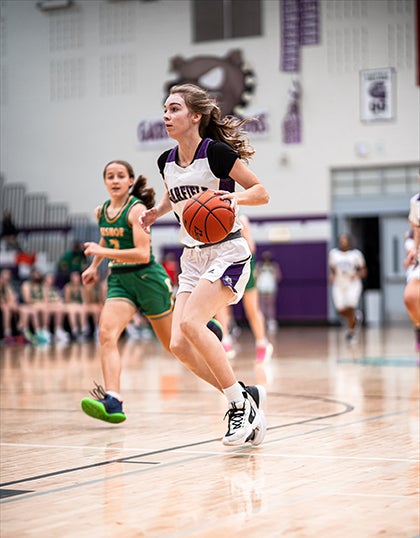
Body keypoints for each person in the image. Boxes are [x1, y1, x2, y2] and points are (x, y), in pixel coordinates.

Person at [139, 83, 270, 447]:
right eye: (165, 109)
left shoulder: (216, 153)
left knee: (192, 323)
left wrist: (235, 196)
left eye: (175, 109)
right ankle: (243, 394)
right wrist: (156, 212)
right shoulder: (166, 161)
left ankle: (238, 407)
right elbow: (175, 193)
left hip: (226, 250)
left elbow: (262, 191)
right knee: (179, 344)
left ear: (195, 116)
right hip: (192, 258)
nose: (167, 115)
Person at [80, 160, 175, 424]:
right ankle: (113, 400)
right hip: (120, 280)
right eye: (110, 176)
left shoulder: (137, 210)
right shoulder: (101, 211)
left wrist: (102, 253)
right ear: (104, 181)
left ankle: (199, 324)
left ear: (130, 181)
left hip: (146, 277)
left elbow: (142, 253)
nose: (115, 180)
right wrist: (94, 266)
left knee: (172, 346)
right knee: (107, 334)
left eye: (120, 176)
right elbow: (105, 237)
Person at [216, 214, 273, 363]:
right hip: (224, 264)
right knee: (219, 306)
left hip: (243, 263)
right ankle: (225, 342)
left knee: (251, 309)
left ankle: (262, 344)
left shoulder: (241, 219)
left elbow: (252, 247)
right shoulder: (215, 218)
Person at [328, 233, 367, 344]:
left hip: (352, 283)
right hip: (339, 283)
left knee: (350, 306)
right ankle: (356, 317)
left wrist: (357, 275)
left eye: (345, 240)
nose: (343, 242)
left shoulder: (356, 255)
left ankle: (351, 332)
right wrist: (332, 275)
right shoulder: (333, 254)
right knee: (340, 309)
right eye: (341, 240)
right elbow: (332, 268)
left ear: (349, 242)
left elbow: (364, 270)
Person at [403, 192, 420, 353]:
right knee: (410, 297)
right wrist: (414, 250)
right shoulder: (415, 201)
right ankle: (418, 328)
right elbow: (416, 229)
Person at [19, 267, 51, 344]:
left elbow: (46, 299)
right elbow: (27, 300)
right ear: (31, 275)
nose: (37, 275)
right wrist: (38, 303)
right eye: (35, 273)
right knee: (33, 310)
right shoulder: (26, 285)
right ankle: (35, 332)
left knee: (46, 309)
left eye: (38, 273)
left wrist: (39, 304)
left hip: (39, 306)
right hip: (28, 305)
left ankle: (44, 331)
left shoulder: (43, 286)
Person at [255, 250, 282, 333]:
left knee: (270, 306)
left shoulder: (274, 266)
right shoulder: (259, 265)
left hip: (270, 288)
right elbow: (255, 276)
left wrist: (273, 274)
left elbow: (278, 277)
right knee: (261, 306)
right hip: (261, 287)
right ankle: (262, 322)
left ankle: (271, 322)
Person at [43, 272, 70, 343]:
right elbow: (45, 301)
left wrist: (59, 303)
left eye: (52, 278)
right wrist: (57, 304)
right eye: (49, 278)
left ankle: (58, 330)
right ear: (45, 279)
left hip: (54, 306)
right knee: (56, 308)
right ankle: (45, 331)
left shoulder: (54, 288)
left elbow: (59, 299)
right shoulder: (43, 288)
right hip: (45, 306)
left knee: (60, 308)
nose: (52, 279)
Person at [63, 271, 89, 340]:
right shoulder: (68, 287)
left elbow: (84, 300)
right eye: (74, 277)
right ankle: (75, 330)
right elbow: (67, 300)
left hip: (79, 306)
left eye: (77, 277)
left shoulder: (82, 287)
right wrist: (75, 303)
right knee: (72, 310)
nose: (76, 278)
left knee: (83, 309)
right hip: (71, 305)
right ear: (71, 278)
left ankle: (84, 329)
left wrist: (83, 304)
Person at [0, 268, 20, 344]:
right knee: (6, 309)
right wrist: (9, 303)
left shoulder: (7, 285)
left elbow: (11, 299)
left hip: (5, 304)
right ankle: (7, 333)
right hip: (3, 305)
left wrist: (13, 303)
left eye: (9, 274)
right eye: (6, 274)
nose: (8, 276)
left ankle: (20, 330)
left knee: (18, 308)